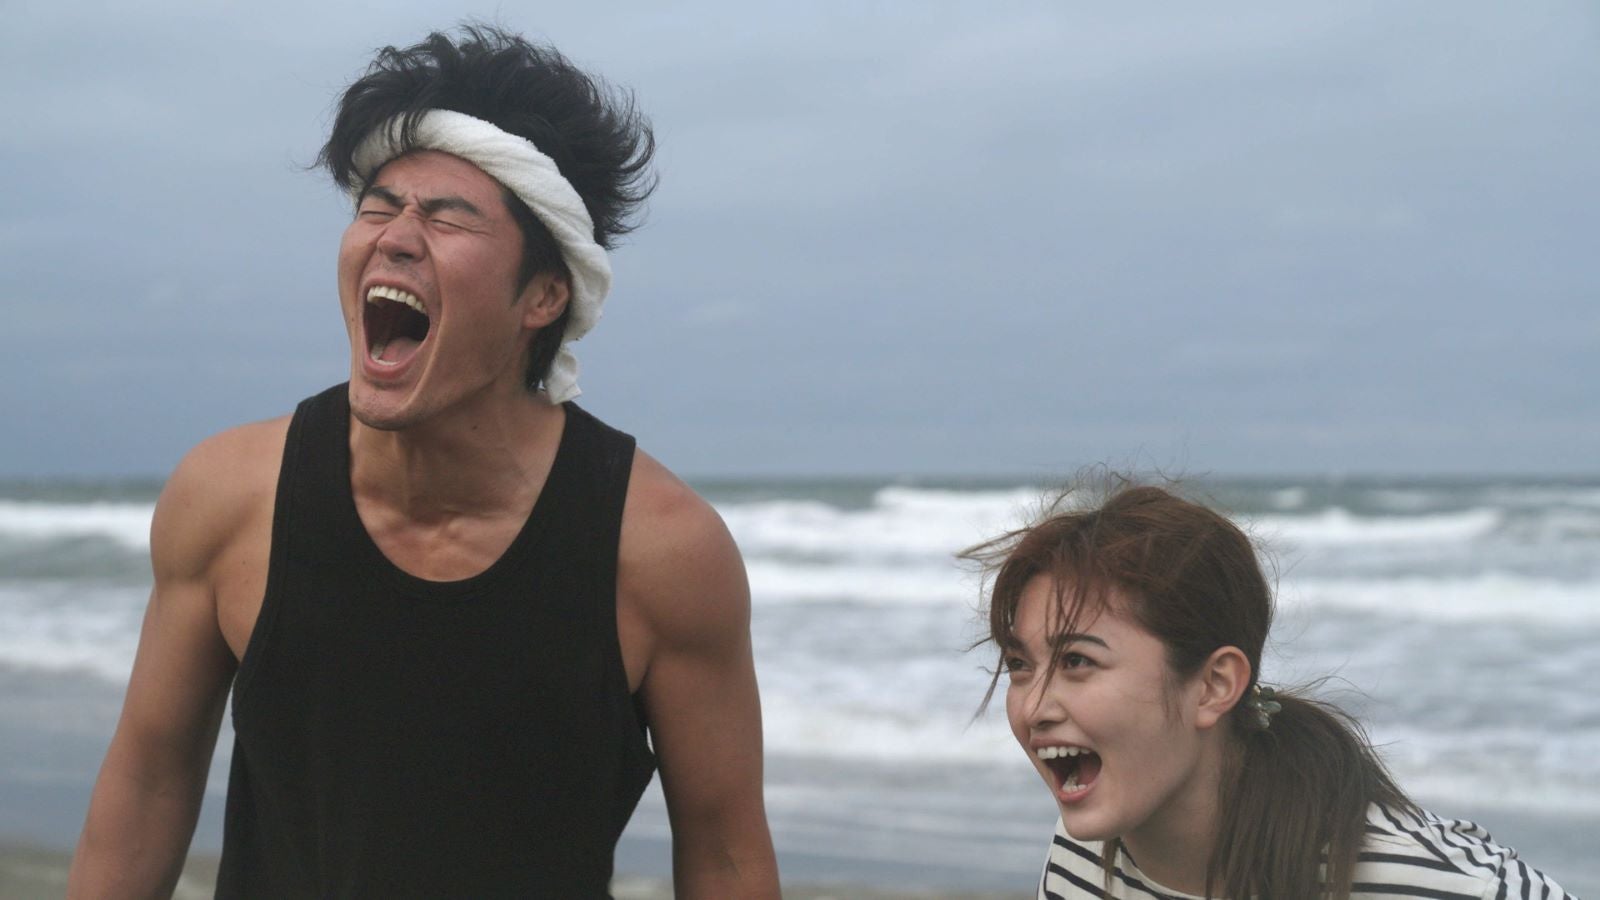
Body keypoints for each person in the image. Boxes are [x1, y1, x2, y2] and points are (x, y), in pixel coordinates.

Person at [68, 25, 779, 899]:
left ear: (544, 294)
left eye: (447, 217)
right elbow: (147, 783)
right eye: (378, 207)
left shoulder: (662, 551)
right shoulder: (229, 498)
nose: (396, 238)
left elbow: (725, 853)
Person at [967, 481, 1573, 899]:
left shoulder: (1414, 881)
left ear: (1214, 685)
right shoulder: (1082, 861)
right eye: (1020, 664)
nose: (1033, 707)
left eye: (1077, 661)